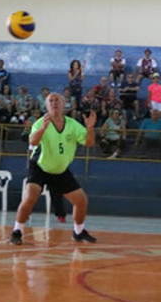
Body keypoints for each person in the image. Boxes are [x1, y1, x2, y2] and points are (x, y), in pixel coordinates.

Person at [10, 92, 97, 246]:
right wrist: (43, 129)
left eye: (57, 100)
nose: (54, 103)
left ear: (64, 104)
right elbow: (33, 141)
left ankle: (78, 232)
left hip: (60, 171)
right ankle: (17, 231)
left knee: (81, 200)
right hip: (40, 167)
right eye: (51, 101)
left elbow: (89, 143)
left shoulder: (72, 124)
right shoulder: (40, 122)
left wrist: (90, 128)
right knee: (30, 197)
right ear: (46, 105)